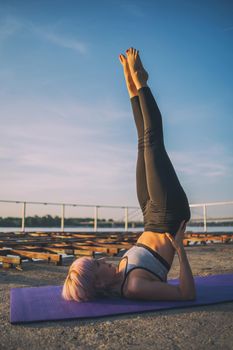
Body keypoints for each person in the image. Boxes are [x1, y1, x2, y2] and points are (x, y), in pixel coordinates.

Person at [62, 47, 196, 302]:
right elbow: (186, 294)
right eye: (97, 264)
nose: (102, 259)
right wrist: (180, 249)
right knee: (153, 140)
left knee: (142, 142)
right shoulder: (133, 286)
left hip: (149, 215)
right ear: (99, 282)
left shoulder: (117, 274)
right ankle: (142, 83)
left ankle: (131, 87)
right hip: (169, 215)